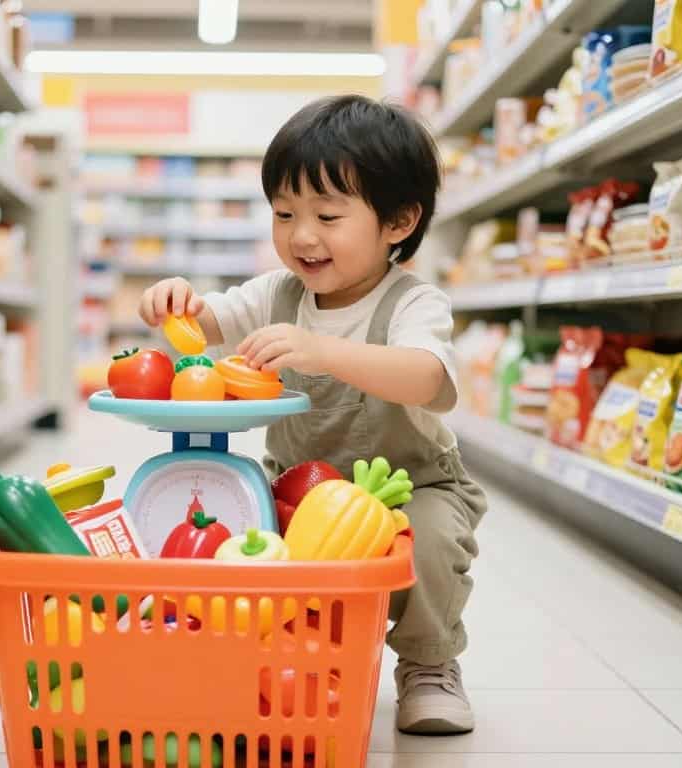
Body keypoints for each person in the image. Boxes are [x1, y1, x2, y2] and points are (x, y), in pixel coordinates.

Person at [138, 94, 486, 735]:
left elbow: (430, 378)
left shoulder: (415, 302)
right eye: (284, 213)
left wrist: (328, 352)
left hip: (413, 486)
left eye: (327, 215)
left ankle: (429, 664)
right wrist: (175, 304)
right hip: (299, 487)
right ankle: (290, 662)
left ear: (399, 222)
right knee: (253, 551)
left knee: (432, 543)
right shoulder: (277, 293)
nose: (301, 236)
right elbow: (207, 324)